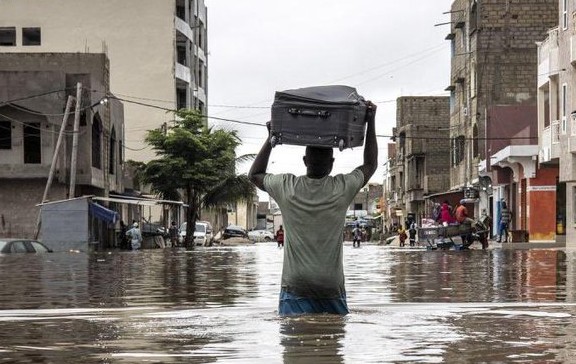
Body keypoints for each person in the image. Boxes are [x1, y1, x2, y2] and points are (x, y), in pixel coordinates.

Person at [248, 102, 377, 316]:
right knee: (332, 343)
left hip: (296, 285)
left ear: (305, 160)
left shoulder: (287, 187)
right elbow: (370, 165)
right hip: (331, 285)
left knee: (296, 344)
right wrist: (370, 121)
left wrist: (271, 138)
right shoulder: (342, 188)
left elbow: (254, 175)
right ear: (332, 163)